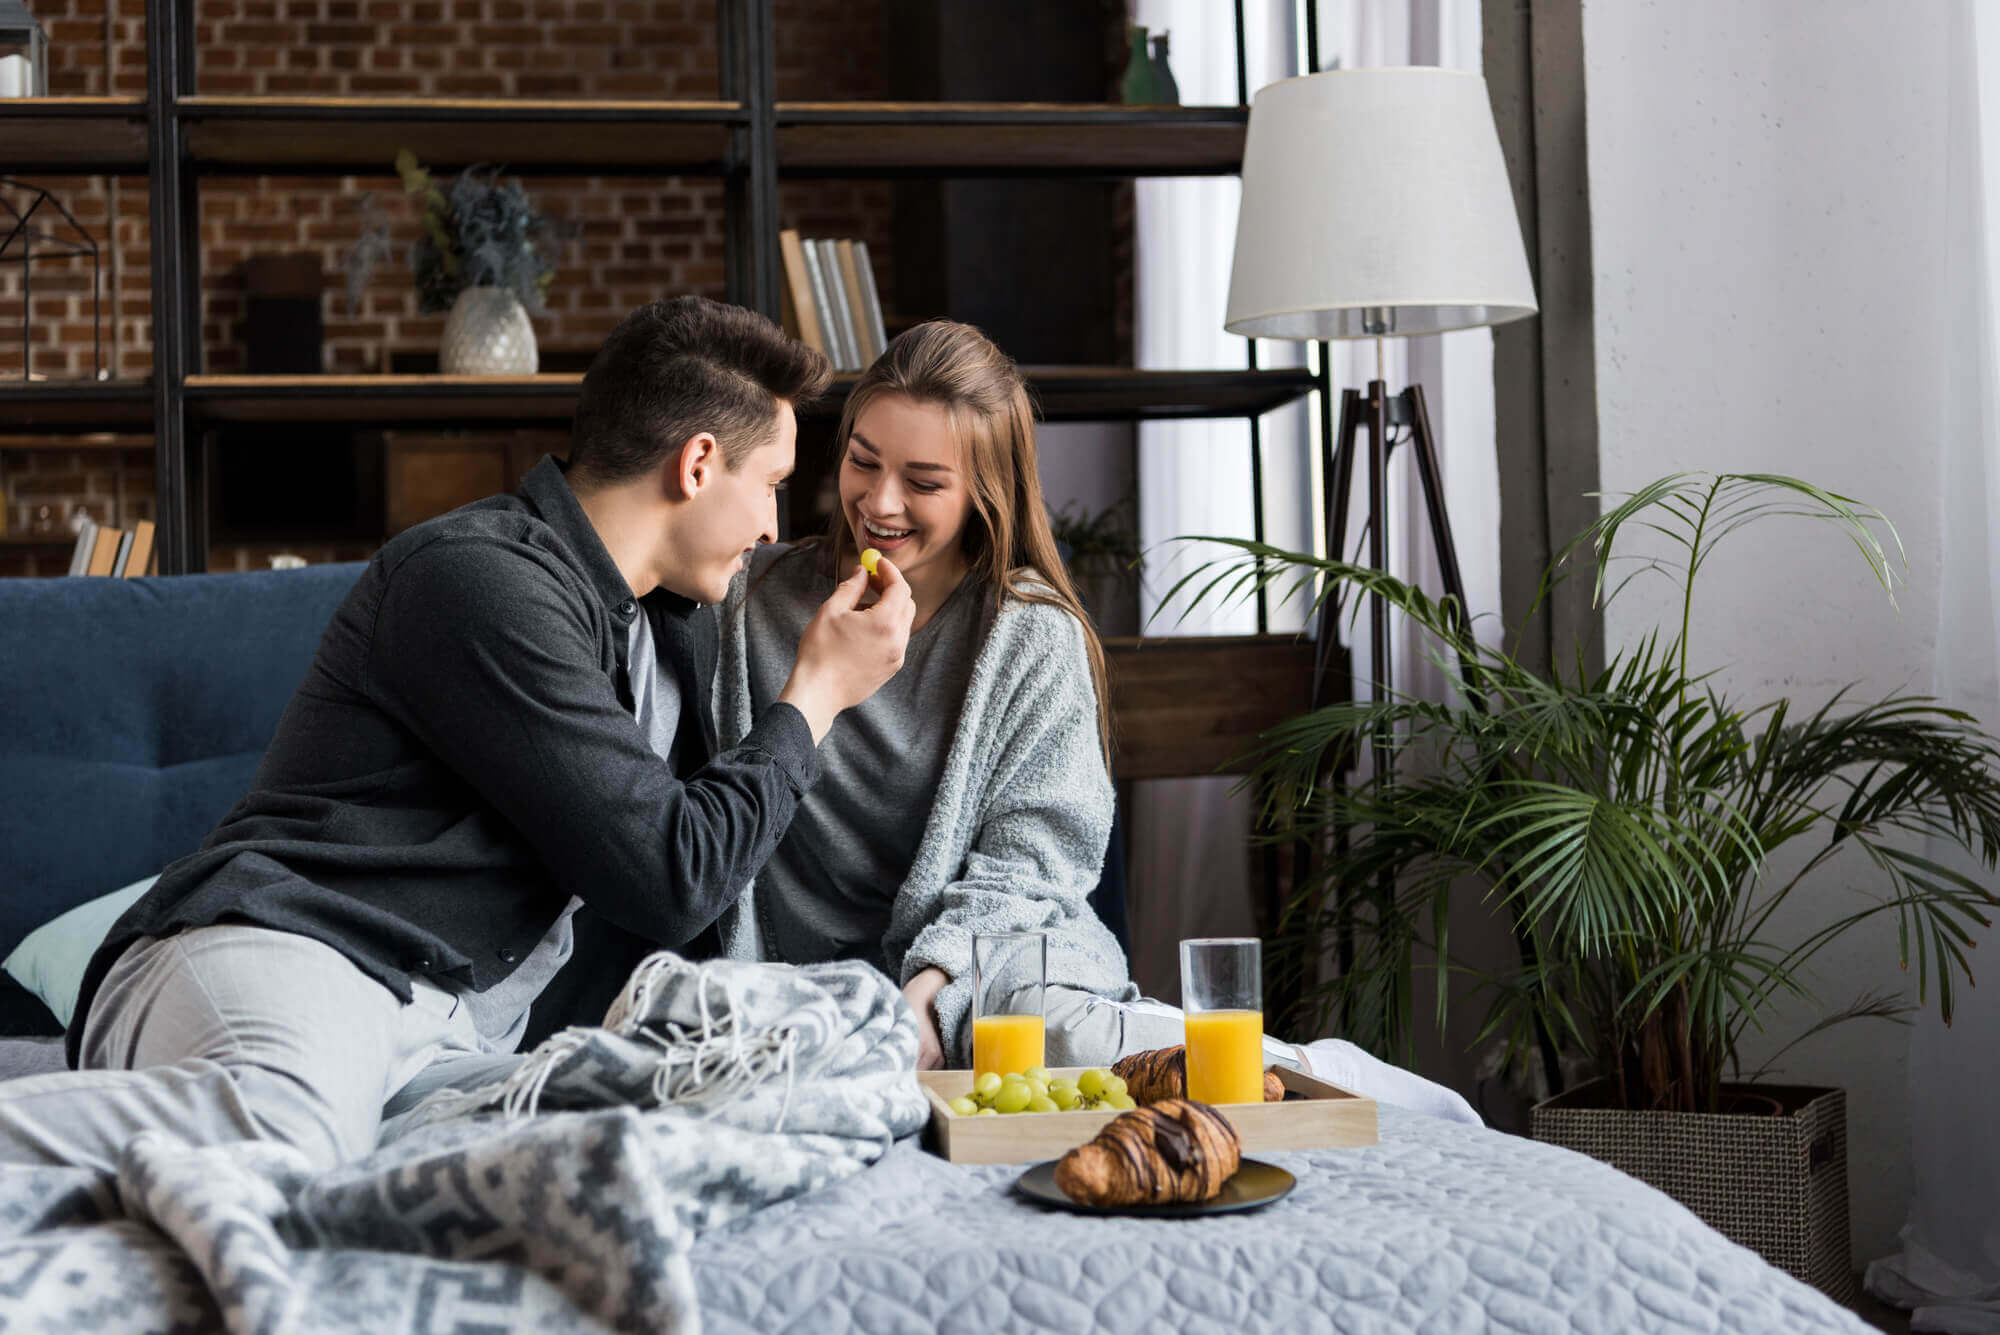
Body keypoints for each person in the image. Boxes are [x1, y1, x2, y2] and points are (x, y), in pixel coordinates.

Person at [0, 295, 916, 1174]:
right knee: (284, 1139)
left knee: (637, 1135)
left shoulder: (666, 623)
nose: (771, 525)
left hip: (438, 1031)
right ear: (697, 463)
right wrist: (821, 692)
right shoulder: (480, 581)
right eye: (773, 486)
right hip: (289, 950)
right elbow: (670, 871)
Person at [713, 320, 1164, 1070]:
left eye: (923, 483)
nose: (879, 502)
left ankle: (1313, 1072)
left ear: (985, 492)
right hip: (790, 980)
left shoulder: (1030, 636)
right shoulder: (750, 598)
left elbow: (1031, 864)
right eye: (863, 461)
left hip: (983, 964)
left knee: (1065, 1040)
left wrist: (930, 991)